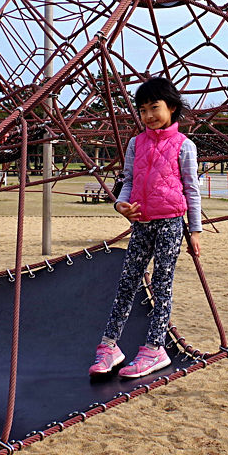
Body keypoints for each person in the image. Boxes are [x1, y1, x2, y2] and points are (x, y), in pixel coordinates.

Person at [90, 76, 204, 378]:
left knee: (162, 285)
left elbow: (191, 189)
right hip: (141, 222)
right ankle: (109, 345)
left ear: (173, 108)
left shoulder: (184, 145)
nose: (148, 116)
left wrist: (194, 230)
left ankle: (155, 348)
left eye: (154, 107)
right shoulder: (135, 143)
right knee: (128, 283)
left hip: (170, 223)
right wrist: (120, 205)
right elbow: (127, 182)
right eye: (142, 110)